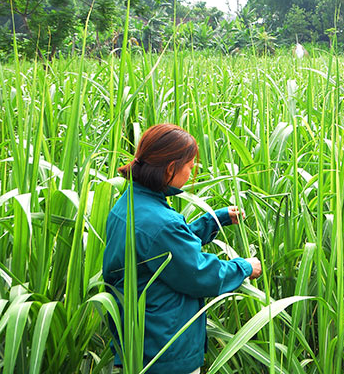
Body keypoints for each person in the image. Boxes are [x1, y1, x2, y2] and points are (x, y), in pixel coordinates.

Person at [103, 123, 262, 374]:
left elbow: (166, 249)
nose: (191, 173)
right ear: (169, 169)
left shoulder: (129, 204)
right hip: (164, 348)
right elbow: (198, 273)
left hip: (136, 340)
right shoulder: (161, 223)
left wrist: (214, 219)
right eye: (189, 166)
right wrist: (243, 267)